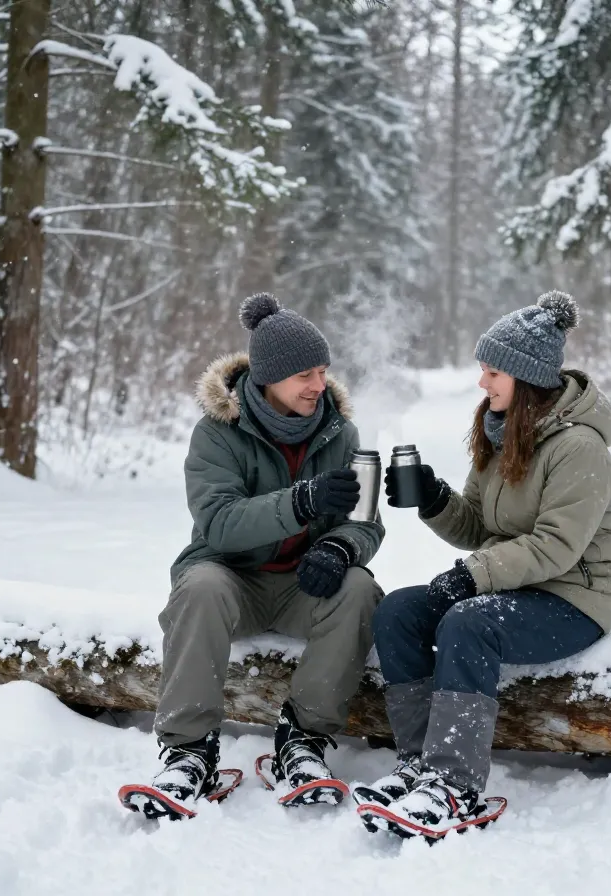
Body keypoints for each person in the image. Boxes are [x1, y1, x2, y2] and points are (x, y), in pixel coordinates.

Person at [355, 290, 611, 837]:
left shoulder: (580, 449)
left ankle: (455, 784)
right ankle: (419, 765)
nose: (483, 383)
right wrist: (433, 498)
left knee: (468, 621)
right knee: (400, 612)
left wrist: (471, 577)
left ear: (525, 377)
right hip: (512, 588)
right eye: (482, 369)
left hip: (572, 598)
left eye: (493, 371)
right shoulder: (502, 433)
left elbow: (555, 547)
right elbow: (479, 526)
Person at [135, 293, 385, 818]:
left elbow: (364, 520)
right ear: (268, 378)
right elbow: (220, 524)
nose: (318, 385)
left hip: (304, 588)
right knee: (200, 586)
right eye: (304, 375)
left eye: (323, 371)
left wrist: (340, 547)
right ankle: (188, 752)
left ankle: (303, 742)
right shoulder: (216, 434)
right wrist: (302, 501)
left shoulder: (342, 432)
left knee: (361, 587)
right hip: (231, 581)